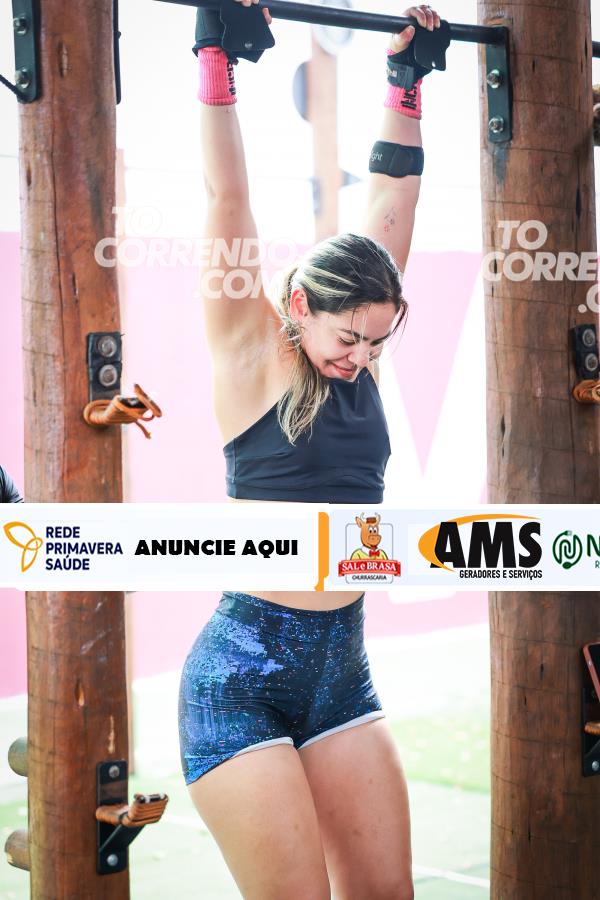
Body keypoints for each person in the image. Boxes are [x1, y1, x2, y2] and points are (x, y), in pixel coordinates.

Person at [179, 4, 442, 897]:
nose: (362, 358)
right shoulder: (252, 354)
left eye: (378, 341)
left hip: (342, 670)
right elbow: (227, 202)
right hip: (240, 677)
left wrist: (405, 80)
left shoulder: (362, 327)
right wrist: (215, 57)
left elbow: (394, 199)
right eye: (349, 338)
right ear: (299, 306)